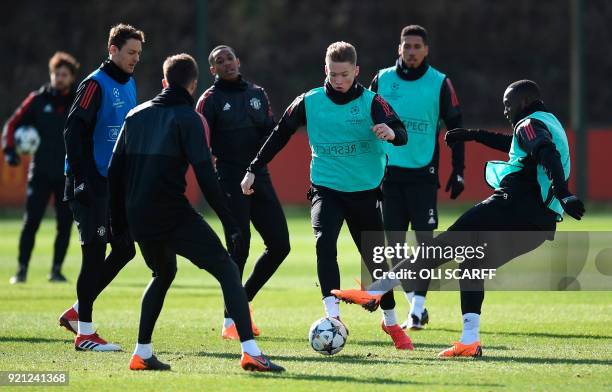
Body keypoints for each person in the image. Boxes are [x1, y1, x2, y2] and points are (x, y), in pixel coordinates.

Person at [331, 79, 585, 357]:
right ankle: (469, 340)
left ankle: (377, 291)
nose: (505, 111)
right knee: (472, 263)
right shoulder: (548, 122)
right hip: (539, 223)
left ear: (523, 102)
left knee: (443, 244)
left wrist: (564, 192)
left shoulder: (528, 124)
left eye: (508, 105)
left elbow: (544, 151)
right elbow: (522, 146)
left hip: (513, 206)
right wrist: (474, 135)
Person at [108, 53, 284, 372]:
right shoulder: (190, 118)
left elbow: (114, 172)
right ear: (193, 85)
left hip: (138, 215)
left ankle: (142, 353)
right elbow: (206, 177)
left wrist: (116, 224)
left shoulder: (134, 115)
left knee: (163, 273)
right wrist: (230, 222)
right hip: (172, 214)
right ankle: (250, 351)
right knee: (228, 270)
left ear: (164, 82)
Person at [242, 42, 414, 350]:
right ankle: (333, 318)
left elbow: (401, 131)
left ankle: (390, 322)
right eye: (333, 74)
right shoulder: (309, 101)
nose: (338, 80)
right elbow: (280, 133)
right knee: (324, 243)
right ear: (325, 70)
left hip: (365, 192)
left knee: (375, 260)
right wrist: (254, 167)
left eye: (345, 74)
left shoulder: (373, 102)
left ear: (356, 71)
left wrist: (392, 134)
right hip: (326, 189)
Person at [371, 25, 466, 330]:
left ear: (426, 50)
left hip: (424, 176)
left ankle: (417, 309)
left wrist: (459, 169)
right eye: (406, 46)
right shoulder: (382, 80)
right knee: (395, 247)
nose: (411, 51)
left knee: (426, 244)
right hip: (389, 177)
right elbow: (364, 121)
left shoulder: (440, 82)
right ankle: (415, 303)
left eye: (417, 46)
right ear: (399, 48)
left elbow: (456, 127)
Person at [57, 24, 144, 352]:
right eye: (130, 52)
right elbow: (72, 132)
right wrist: (81, 179)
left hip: (114, 184)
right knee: (94, 253)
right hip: (89, 182)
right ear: (112, 50)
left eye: (138, 53)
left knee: (124, 249)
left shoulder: (131, 83)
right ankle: (85, 334)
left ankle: (78, 311)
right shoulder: (95, 83)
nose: (136, 58)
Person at [196, 45, 290, 340]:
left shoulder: (257, 94)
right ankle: (230, 322)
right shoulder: (209, 100)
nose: (226, 64)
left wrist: (259, 162)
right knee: (239, 248)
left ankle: (241, 303)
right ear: (213, 70)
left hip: (258, 176)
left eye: (229, 58)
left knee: (280, 245)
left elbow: (271, 132)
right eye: (219, 61)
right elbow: (199, 142)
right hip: (228, 178)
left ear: (238, 61)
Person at [2, 52, 78, 284]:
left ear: (72, 77)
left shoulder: (78, 102)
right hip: (41, 172)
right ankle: (21, 270)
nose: (59, 78)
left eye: (64, 74)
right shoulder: (37, 100)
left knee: (64, 224)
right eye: (56, 74)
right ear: (51, 75)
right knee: (31, 221)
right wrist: (9, 150)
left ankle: (56, 270)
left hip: (68, 174)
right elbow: (12, 124)